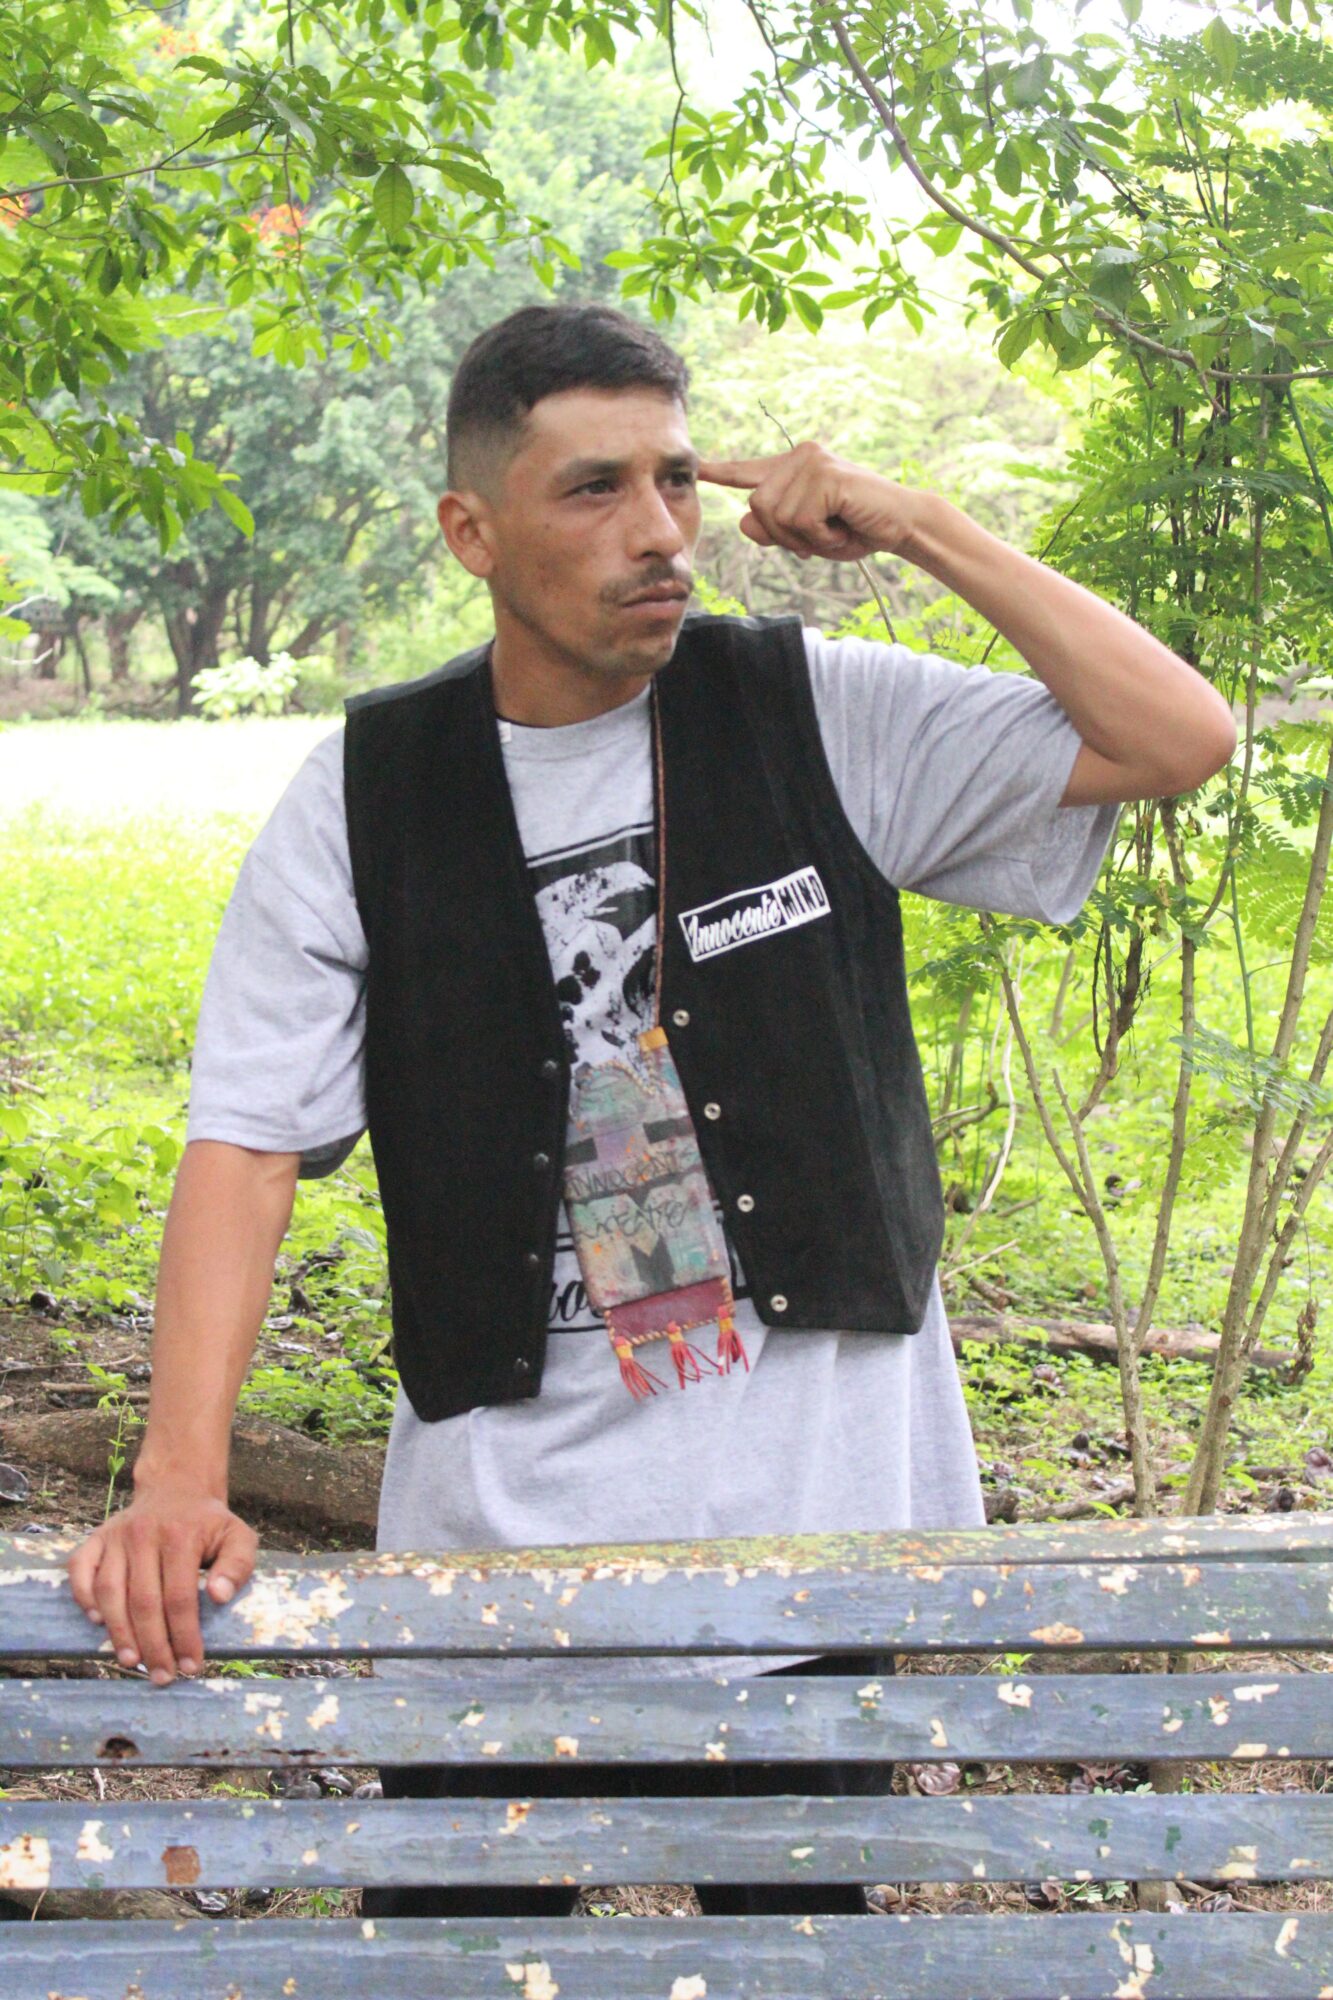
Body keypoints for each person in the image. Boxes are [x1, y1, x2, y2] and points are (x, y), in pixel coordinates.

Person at [65, 302, 1236, 1919]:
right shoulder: (365, 795)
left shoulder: (815, 712)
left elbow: (1176, 737)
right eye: (593, 487)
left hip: (807, 1551)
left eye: (677, 479)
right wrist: (178, 1475)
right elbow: (250, 1144)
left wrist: (921, 523)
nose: (660, 531)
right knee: (458, 1955)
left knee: (788, 1957)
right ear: (471, 532)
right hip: (495, 1562)